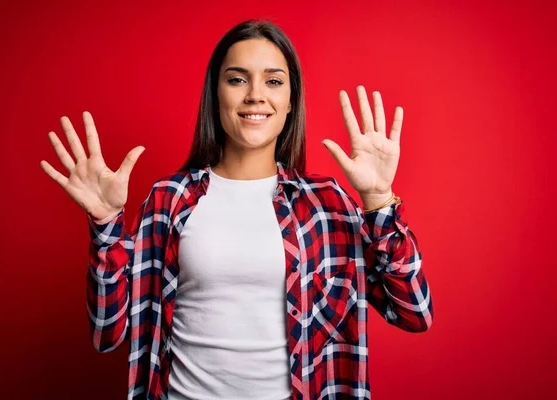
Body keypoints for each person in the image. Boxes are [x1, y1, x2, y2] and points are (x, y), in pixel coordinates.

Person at [40, 19, 433, 400]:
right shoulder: (170, 199)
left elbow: (414, 313)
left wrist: (380, 200)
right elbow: (106, 334)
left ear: (291, 101)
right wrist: (107, 225)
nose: (255, 95)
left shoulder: (325, 205)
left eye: (274, 81)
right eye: (237, 79)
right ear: (217, 94)